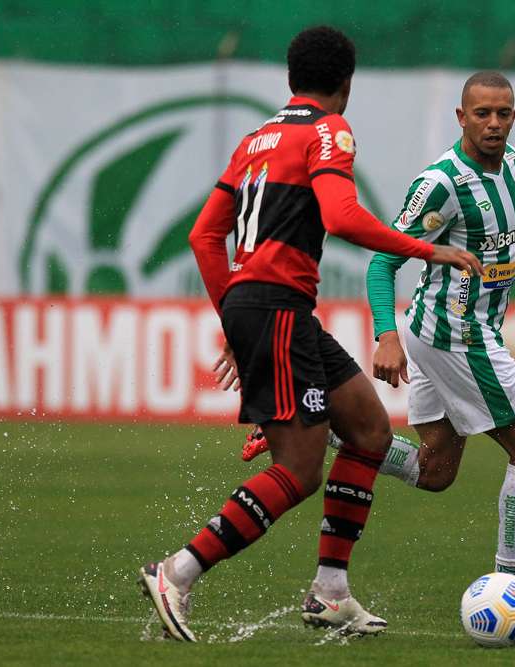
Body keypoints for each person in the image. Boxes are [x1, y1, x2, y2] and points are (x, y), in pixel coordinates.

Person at [137, 26, 480, 642]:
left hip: (274, 309)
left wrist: (235, 314)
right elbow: (341, 217)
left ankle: (330, 592)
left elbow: (204, 236)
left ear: (291, 78)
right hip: (276, 308)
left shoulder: (255, 140)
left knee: (370, 431)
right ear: (346, 83)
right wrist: (429, 250)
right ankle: (178, 572)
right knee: (298, 471)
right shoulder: (329, 130)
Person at [363, 71, 515, 615]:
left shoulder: (514, 167)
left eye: (503, 113)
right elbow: (383, 261)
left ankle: (321, 427)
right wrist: (385, 334)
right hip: (457, 335)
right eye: (482, 113)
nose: (493, 123)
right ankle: (512, 586)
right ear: (461, 117)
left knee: (435, 471)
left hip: (445, 331)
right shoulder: (442, 184)